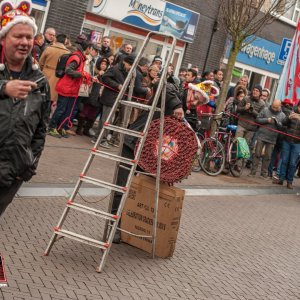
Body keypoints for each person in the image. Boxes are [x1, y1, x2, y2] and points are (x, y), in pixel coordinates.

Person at [111, 82, 184, 243]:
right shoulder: (173, 96)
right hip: (134, 142)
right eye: (198, 96)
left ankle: (134, 226)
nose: (197, 101)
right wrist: (177, 104)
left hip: (152, 154)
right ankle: (114, 226)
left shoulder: (190, 115)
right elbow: (163, 84)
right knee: (121, 186)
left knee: (146, 191)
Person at [0, 0, 50, 216]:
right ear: (3, 39)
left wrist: (29, 164)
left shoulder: (40, 81)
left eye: (29, 37)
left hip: (13, 170)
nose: (24, 42)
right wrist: (3, 88)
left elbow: (41, 129)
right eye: (18, 36)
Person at [48, 34, 91, 138]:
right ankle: (52, 127)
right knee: (61, 109)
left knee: (68, 110)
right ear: (87, 48)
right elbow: (68, 71)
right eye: (91, 48)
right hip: (66, 87)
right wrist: (82, 74)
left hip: (72, 88)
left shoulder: (80, 57)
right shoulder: (76, 57)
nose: (91, 50)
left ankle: (60, 127)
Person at [92, 54, 135, 148]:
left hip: (115, 98)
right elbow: (105, 78)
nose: (131, 67)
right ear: (125, 62)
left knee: (106, 120)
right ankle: (100, 139)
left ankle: (99, 138)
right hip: (109, 98)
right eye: (130, 65)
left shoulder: (125, 71)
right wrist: (117, 85)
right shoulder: (115, 69)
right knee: (106, 120)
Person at [248, 100, 286, 178]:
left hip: (272, 138)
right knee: (257, 154)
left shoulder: (282, 115)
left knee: (268, 157)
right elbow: (257, 119)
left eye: (276, 107)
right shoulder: (265, 110)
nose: (274, 109)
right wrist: (267, 120)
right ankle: (253, 172)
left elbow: (283, 128)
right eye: (273, 107)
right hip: (261, 135)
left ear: (280, 106)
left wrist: (277, 123)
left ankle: (264, 174)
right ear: (271, 104)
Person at [39, 34, 70, 115]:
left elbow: (40, 63)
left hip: (45, 74)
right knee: (51, 100)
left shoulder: (49, 49)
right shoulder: (67, 52)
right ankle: (46, 117)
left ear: (56, 39)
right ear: (65, 41)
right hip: (58, 78)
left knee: (41, 96)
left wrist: (43, 70)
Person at [273, 102, 300, 189]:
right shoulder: (291, 112)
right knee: (284, 160)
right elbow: (283, 123)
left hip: (297, 143)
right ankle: (281, 179)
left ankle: (289, 181)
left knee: (292, 163)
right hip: (287, 141)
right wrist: (289, 117)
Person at [235, 84, 265, 151]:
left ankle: (241, 161)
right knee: (239, 144)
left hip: (251, 128)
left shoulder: (262, 104)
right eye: (254, 90)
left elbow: (261, 117)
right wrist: (244, 108)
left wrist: (253, 111)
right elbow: (238, 109)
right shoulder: (246, 98)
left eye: (257, 91)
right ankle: (234, 159)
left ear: (260, 93)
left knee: (245, 147)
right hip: (242, 124)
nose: (255, 92)